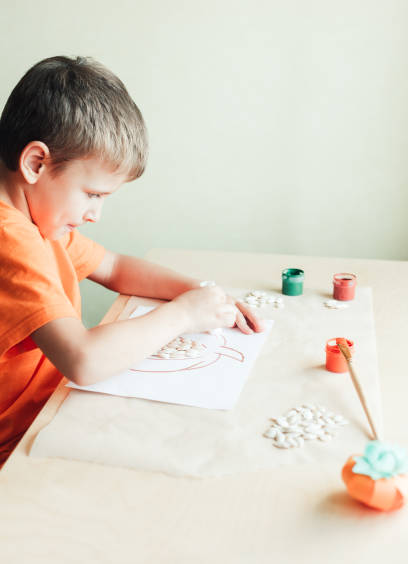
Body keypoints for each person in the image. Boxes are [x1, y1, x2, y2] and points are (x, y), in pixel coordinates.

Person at [0, 55, 264, 466]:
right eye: (93, 194)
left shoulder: (32, 218)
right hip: (18, 449)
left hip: (51, 412)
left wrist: (201, 294)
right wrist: (183, 316)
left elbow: (116, 268)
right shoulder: (10, 239)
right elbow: (83, 360)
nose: (95, 215)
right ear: (36, 163)